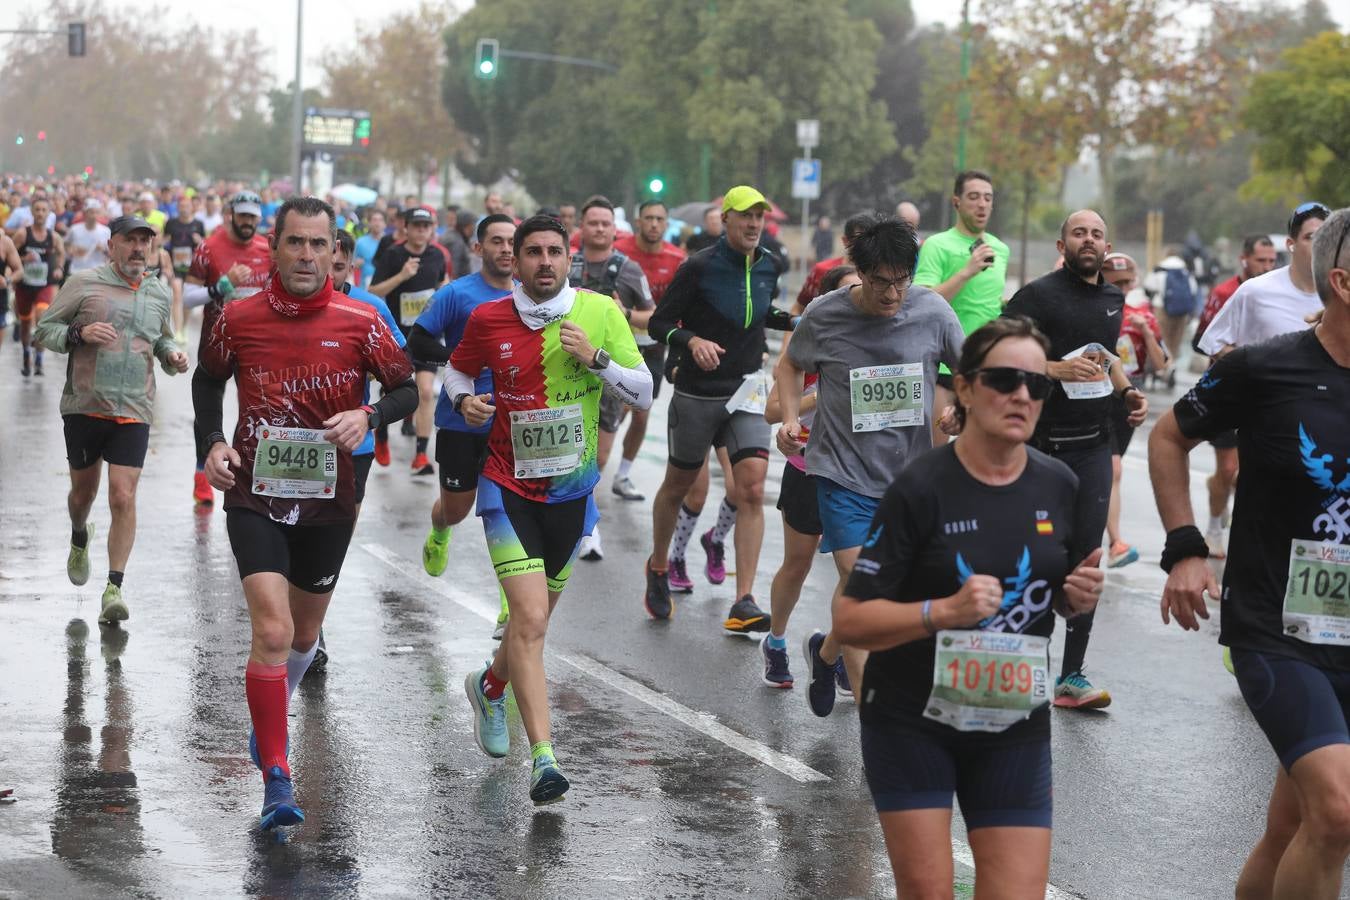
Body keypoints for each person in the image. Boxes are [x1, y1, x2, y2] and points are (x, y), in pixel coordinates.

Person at [833, 316, 1105, 899]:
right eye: (1004, 379)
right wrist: (940, 612)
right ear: (965, 388)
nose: (1021, 395)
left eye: (1037, 384)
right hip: (912, 720)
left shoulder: (1058, 484)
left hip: (1012, 718)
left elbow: (1050, 589)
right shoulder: (922, 486)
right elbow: (851, 620)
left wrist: (1070, 594)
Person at [193, 196, 417, 830]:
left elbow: (404, 385)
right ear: (275, 245)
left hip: (328, 500)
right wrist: (211, 442)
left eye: (320, 246)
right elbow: (208, 380)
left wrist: (369, 416)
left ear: (334, 253)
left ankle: (269, 723)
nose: (308, 256)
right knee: (270, 632)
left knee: (303, 636)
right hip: (254, 495)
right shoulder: (234, 318)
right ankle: (276, 775)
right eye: (296, 243)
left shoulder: (361, 320)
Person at [1148, 207, 1350, 900]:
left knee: (1291, 824)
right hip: (1274, 622)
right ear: (1343, 282)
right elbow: (1168, 437)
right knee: (1337, 814)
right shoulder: (1266, 369)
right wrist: (1185, 548)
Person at [451, 215, 651, 806]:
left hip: (572, 497)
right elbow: (458, 368)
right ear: (513, 259)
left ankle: (490, 686)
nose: (544, 261)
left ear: (570, 261)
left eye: (554, 252)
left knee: (528, 626)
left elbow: (644, 392)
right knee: (532, 621)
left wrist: (597, 360)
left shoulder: (600, 313)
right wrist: (465, 399)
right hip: (506, 488)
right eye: (532, 252)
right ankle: (544, 759)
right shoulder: (488, 318)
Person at [776, 217, 965, 713]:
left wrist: (960, 410)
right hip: (842, 475)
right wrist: (792, 419)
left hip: (909, 481)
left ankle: (826, 651)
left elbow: (970, 372)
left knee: (871, 591)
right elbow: (790, 364)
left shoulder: (932, 311)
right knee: (867, 589)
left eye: (901, 280)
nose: (891, 293)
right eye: (880, 281)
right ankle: (875, 724)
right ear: (859, 272)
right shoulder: (825, 314)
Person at [1002, 209, 1148, 709]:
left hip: (1093, 443)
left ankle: (1072, 675)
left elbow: (1104, 357)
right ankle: (1024, 664)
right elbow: (997, 352)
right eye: (1079, 232)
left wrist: (1128, 393)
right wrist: (1052, 368)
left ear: (1107, 246)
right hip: (1041, 445)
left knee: (1087, 556)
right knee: (1039, 556)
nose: (1089, 240)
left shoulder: (1112, 297)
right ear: (1062, 243)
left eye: (1097, 233)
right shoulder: (1037, 296)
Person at [644, 186, 794, 632]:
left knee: (749, 489)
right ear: (725, 219)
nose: (753, 225)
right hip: (697, 393)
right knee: (678, 485)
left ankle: (743, 600)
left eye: (759, 218)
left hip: (746, 391)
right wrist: (691, 341)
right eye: (745, 217)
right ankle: (657, 566)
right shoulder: (698, 266)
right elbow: (659, 322)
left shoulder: (771, 263)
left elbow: (761, 313)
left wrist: (801, 320)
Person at [35, 215, 188, 624]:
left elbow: (162, 337)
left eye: (145, 241)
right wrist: (78, 335)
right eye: (130, 240)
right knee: (82, 496)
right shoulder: (84, 284)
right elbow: (44, 329)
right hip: (85, 405)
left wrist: (172, 354)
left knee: (123, 496)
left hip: (134, 408)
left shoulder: (156, 291)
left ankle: (114, 588)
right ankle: (79, 534)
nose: (139, 248)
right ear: (112, 245)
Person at [1197, 204, 1328, 559]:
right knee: (1235, 477)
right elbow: (1213, 347)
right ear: (1291, 243)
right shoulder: (1256, 292)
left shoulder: (1340, 294)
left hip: (1325, 425)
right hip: (1262, 422)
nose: (1319, 246)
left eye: (1326, 238)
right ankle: (1218, 529)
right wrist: (1253, 366)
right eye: (1311, 237)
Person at [409, 214, 517, 640]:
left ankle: (512, 603)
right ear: (478, 248)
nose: (506, 249)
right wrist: (460, 362)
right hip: (459, 419)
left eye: (512, 242)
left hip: (509, 423)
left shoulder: (529, 298)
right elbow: (417, 342)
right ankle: (439, 532)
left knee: (505, 510)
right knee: (457, 509)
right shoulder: (456, 294)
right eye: (497, 241)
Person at [762, 264, 862, 687]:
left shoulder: (877, 350)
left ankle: (835, 651)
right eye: (849, 292)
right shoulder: (812, 351)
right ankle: (777, 639)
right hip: (807, 468)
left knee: (854, 574)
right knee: (798, 564)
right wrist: (818, 397)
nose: (860, 298)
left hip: (856, 474)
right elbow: (771, 411)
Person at [566, 196, 653, 553]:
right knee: (569, 452)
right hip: (567, 372)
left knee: (598, 457)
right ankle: (586, 528)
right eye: (593, 223)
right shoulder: (563, 263)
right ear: (581, 228)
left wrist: (626, 314)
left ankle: (583, 517)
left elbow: (653, 316)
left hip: (608, 374)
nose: (599, 229)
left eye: (606, 223)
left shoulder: (628, 269)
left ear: (614, 230)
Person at [1191, 233, 1278, 559]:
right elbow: (1200, 340)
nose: (1267, 266)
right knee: (1228, 470)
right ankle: (1214, 528)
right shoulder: (1225, 292)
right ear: (1244, 259)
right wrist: (1239, 357)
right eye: (1261, 260)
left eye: (1272, 261)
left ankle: (1248, 525)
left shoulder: (1278, 294)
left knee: (1252, 472)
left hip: (1266, 397)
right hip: (1227, 392)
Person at [183, 190, 272, 508]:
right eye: (243, 215)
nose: (248, 222)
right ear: (231, 214)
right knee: (209, 411)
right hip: (216, 343)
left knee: (254, 410)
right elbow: (187, 297)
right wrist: (223, 286)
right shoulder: (210, 247)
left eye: (253, 217)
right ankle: (201, 472)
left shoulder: (267, 249)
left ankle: (243, 472)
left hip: (257, 345)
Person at [914, 170, 1010, 448]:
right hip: (943, 364)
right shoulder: (937, 245)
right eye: (974, 197)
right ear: (957, 202)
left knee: (982, 453)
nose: (982, 204)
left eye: (988, 198)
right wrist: (967, 272)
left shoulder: (1000, 249)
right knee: (934, 454)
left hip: (984, 364)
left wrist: (1003, 305)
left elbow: (985, 301)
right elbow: (922, 300)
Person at [611, 200, 687, 503]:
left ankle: (623, 474)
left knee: (641, 413)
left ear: (666, 224)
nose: (654, 224)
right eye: (649, 218)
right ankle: (598, 456)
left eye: (660, 219)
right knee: (617, 409)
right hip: (616, 343)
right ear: (638, 222)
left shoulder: (678, 259)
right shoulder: (620, 251)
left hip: (653, 345)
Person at [1099, 253, 1168, 569]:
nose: (1124, 288)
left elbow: (1162, 366)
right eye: (1117, 282)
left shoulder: (1143, 317)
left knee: (1109, 471)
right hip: (1096, 396)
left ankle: (1105, 536)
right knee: (1112, 470)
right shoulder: (1095, 311)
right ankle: (1115, 541)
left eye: (1128, 282)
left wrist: (1148, 332)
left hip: (1128, 398)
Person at [369, 206, 449, 475]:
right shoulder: (394, 254)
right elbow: (374, 291)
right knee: (392, 391)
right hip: (397, 336)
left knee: (426, 392)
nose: (421, 231)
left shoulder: (437, 255)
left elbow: (443, 284)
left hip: (426, 335)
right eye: (416, 226)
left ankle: (421, 456)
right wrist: (402, 276)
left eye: (426, 227)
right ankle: (381, 434)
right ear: (407, 228)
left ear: (432, 230)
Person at [13, 195, 66, 376]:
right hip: (24, 285)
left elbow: (61, 254)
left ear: (49, 213)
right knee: (26, 323)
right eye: (37, 210)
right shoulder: (22, 234)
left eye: (44, 210)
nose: (41, 213)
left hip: (44, 284)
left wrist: (59, 268)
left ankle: (40, 358)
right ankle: (27, 353)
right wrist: (22, 259)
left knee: (42, 320)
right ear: (32, 212)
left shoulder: (54, 237)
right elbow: (8, 255)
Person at [1144, 245, 1201, 362]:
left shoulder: (1160, 268)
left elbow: (1148, 285)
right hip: (1182, 312)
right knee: (1175, 342)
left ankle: (1160, 367)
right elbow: (1193, 290)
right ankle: (1171, 366)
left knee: (1161, 339)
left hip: (1161, 308)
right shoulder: (1185, 270)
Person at [162, 200, 206, 337]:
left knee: (187, 298)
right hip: (175, 264)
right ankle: (178, 330)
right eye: (181, 206)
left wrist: (199, 241)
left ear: (192, 207)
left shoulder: (198, 224)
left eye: (186, 206)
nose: (184, 209)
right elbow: (163, 241)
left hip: (191, 265)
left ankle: (185, 326)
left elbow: (205, 246)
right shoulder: (171, 223)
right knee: (176, 295)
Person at [66, 199, 111, 274]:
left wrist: (103, 250)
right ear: (85, 213)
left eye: (97, 212)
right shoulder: (74, 229)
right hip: (77, 271)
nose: (94, 216)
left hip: (98, 272)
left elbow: (112, 254)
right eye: (91, 212)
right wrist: (71, 250)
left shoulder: (106, 231)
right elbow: (66, 245)